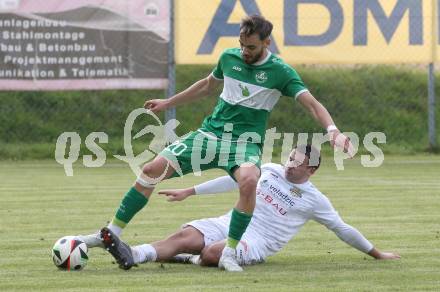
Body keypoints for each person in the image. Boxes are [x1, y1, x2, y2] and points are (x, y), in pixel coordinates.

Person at [81, 14, 354, 272]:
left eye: (251, 47)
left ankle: (229, 252)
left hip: (244, 144)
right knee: (152, 170)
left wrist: (333, 131)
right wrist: (168, 102)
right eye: (242, 45)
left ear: (266, 43)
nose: (245, 51)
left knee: (248, 180)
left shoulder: (280, 72)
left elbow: (311, 104)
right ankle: (110, 235)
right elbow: (205, 86)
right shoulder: (229, 58)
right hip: (209, 135)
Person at [99, 145, 400, 270]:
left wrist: (377, 253)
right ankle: (134, 254)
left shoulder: (314, 200)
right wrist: (189, 191)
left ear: (313, 170)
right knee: (185, 235)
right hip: (231, 221)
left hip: (256, 241)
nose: (290, 164)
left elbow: (342, 229)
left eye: (298, 162)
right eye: (290, 158)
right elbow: (233, 183)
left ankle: (190, 260)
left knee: (214, 252)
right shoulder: (269, 169)